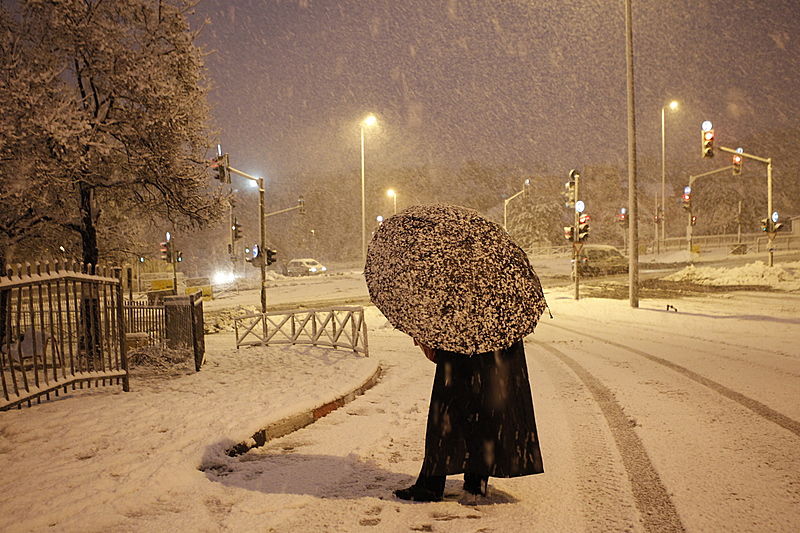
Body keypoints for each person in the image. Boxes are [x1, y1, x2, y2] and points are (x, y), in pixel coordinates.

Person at [394, 338, 544, 502]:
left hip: (459, 345)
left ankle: (433, 484)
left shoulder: (459, 319)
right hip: (494, 347)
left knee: (450, 414)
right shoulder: (505, 320)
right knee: (484, 410)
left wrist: (429, 339)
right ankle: (476, 482)